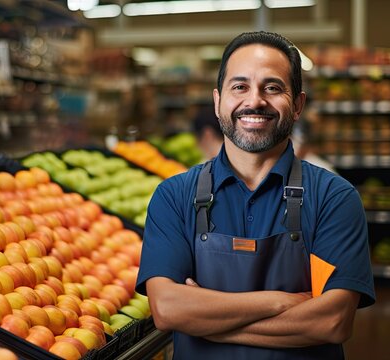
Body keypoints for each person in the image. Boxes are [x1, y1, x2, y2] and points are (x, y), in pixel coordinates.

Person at [135, 31, 375, 359]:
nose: (255, 101)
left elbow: (331, 322)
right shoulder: (174, 196)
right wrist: (279, 301)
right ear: (218, 101)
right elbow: (167, 310)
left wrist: (207, 322)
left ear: (298, 105)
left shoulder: (334, 198)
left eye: (272, 87)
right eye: (240, 86)